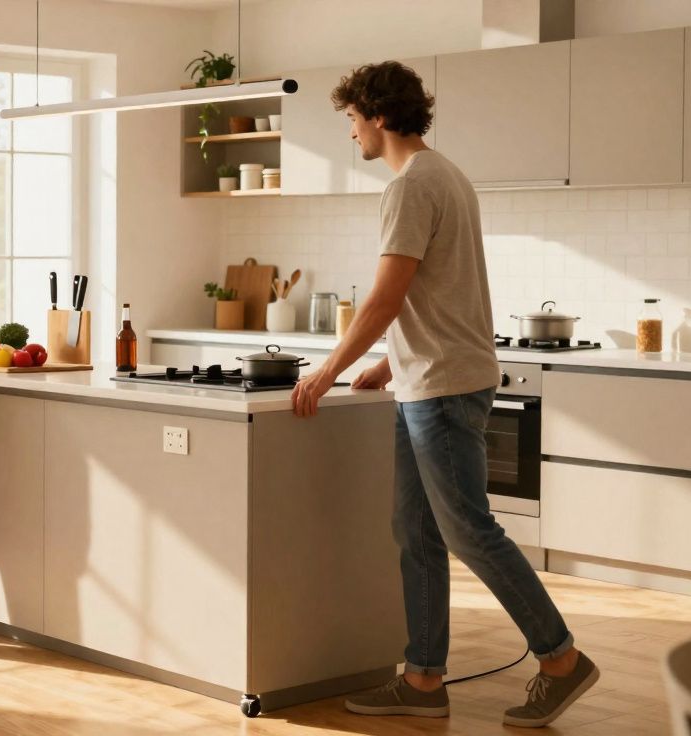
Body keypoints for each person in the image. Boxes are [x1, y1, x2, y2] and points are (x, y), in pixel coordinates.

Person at [290, 62, 598, 728]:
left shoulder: (411, 186)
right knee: (416, 530)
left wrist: (326, 371)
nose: (350, 134)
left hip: (444, 388)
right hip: (427, 379)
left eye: (352, 119)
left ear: (377, 115)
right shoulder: (446, 174)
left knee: (467, 529)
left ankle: (561, 658)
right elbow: (434, 292)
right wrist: (389, 363)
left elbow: (385, 296)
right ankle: (424, 680)